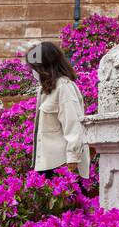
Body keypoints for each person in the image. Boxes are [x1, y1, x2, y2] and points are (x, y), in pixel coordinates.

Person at [29, 41, 90, 178]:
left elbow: (73, 124)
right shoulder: (44, 89)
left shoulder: (64, 87)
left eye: (35, 67)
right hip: (46, 163)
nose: (32, 71)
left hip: (62, 164)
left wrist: (72, 159)